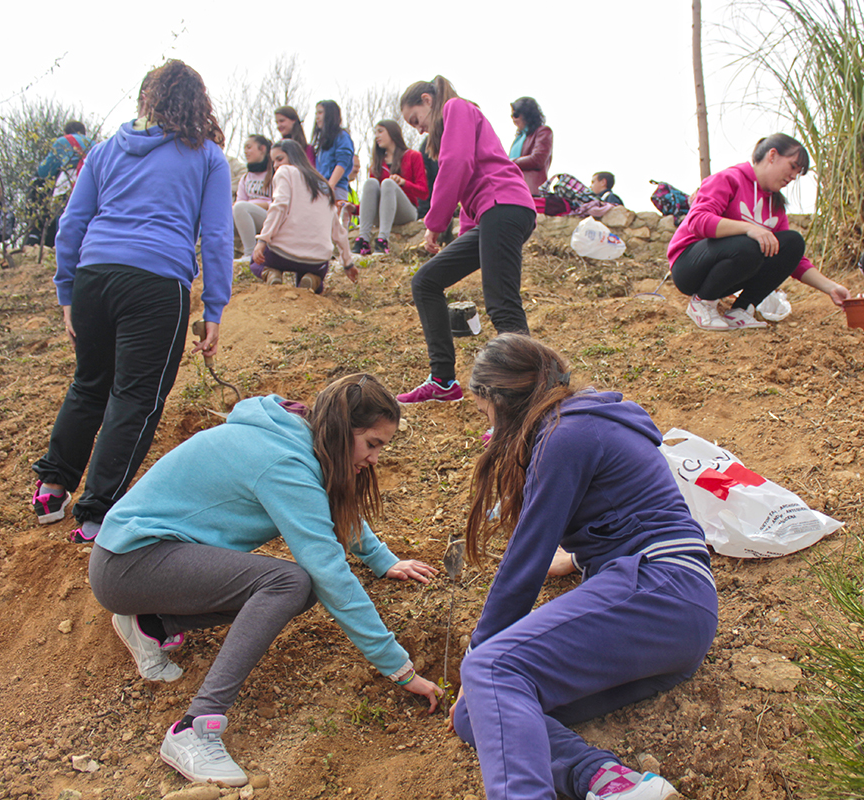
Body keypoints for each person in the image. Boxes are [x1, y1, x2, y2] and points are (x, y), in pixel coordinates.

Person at [89, 374, 444, 785]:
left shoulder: (296, 433)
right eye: (373, 444)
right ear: (341, 431)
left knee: (295, 584)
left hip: (137, 560)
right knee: (289, 583)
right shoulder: (284, 464)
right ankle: (195, 729)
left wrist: (381, 559)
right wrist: (398, 667)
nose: (376, 458)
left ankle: (151, 625)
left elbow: (324, 502)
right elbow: (329, 572)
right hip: (130, 563)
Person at [449, 334, 717, 800]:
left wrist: (476, 654)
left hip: (661, 590)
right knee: (477, 712)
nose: (486, 427)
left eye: (482, 412)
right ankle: (607, 782)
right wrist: (576, 557)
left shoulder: (565, 434)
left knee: (490, 672)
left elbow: (523, 563)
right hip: (665, 620)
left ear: (500, 400)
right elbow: (631, 510)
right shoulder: (582, 424)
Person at [31, 60, 233, 544]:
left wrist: (67, 291)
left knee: (89, 383)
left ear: (148, 99)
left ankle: (52, 486)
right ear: (197, 104)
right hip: (155, 283)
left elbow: (71, 227)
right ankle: (98, 513)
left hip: (94, 279)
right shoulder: (206, 157)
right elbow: (218, 236)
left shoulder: (103, 152)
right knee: (136, 398)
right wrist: (214, 307)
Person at [396, 76, 536, 404]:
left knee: (502, 304)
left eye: (416, 120)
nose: (418, 130)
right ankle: (443, 381)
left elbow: (457, 164)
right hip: (492, 211)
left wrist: (435, 222)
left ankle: (528, 397)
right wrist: (462, 234)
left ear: (428, 100)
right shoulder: (456, 119)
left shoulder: (457, 107)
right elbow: (471, 180)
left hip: (505, 205)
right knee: (426, 281)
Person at [667, 134, 849, 331]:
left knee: (792, 242)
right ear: (773, 156)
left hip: (729, 272)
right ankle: (702, 303)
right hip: (689, 266)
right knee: (750, 243)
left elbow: (792, 259)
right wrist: (749, 228)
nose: (794, 176)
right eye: (793, 166)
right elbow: (697, 221)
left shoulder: (775, 205)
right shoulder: (729, 179)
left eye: (799, 173)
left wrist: (831, 287)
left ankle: (742, 309)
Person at [250, 139, 355, 293]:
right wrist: (348, 264)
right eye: (273, 162)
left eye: (280, 159)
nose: (275, 165)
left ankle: (271, 272)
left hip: (281, 255)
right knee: (315, 274)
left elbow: (279, 206)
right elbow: (337, 230)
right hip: (316, 260)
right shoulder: (324, 184)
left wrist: (263, 240)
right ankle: (313, 280)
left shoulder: (285, 172)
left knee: (255, 262)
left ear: (294, 156)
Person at [353, 120, 429, 256]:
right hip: (381, 215)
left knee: (388, 184)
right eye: (375, 132)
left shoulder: (413, 156)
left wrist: (404, 183)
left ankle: (383, 241)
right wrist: (353, 209)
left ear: (392, 133)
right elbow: (371, 201)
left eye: (380, 131)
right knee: (371, 182)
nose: (377, 136)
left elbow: (423, 192)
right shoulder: (376, 164)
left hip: (406, 212)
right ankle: (363, 240)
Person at [28, 121, 95, 246]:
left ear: (65, 132)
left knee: (63, 219)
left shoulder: (62, 141)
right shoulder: (94, 144)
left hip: (67, 184)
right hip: (89, 185)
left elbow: (44, 171)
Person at [232, 134, 274, 263]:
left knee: (241, 207)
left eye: (249, 147)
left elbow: (279, 202)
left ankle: (249, 253)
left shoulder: (275, 173)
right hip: (247, 214)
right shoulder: (245, 177)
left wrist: (252, 205)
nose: (246, 152)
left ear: (262, 149)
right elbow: (239, 202)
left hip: (271, 218)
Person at [311, 100, 355, 202]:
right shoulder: (322, 141)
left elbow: (342, 163)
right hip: (321, 189)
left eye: (320, 113)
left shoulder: (342, 136)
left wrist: (330, 185)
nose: (317, 117)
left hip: (335, 189)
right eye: (316, 113)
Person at [509, 97, 553, 198]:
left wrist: (509, 162)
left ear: (527, 115)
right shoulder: (519, 138)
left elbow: (538, 159)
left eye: (516, 115)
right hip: (513, 189)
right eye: (511, 116)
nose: (513, 119)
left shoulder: (543, 132)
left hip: (530, 192)